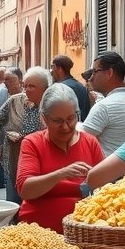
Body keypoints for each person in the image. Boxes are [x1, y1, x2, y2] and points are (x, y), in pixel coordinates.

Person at [17, 83, 104, 232]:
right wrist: (61, 174)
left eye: (70, 119)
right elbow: (25, 189)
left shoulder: (90, 142)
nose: (65, 127)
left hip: (83, 231)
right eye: (58, 121)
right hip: (37, 231)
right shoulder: (32, 142)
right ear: (44, 118)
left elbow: (105, 187)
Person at [0, 67, 50, 204]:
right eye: (25, 85)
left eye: (32, 86)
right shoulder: (15, 101)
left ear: (45, 88)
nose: (26, 90)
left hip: (40, 164)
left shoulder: (50, 106)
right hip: (14, 161)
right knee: (13, 203)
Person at [82, 52, 125, 156]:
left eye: (94, 72)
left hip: (110, 169)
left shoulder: (104, 106)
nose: (90, 78)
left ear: (109, 73)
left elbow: (82, 141)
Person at [50, 54, 90, 121]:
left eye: (52, 67)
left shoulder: (62, 88)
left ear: (59, 69)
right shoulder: (80, 86)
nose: (51, 71)